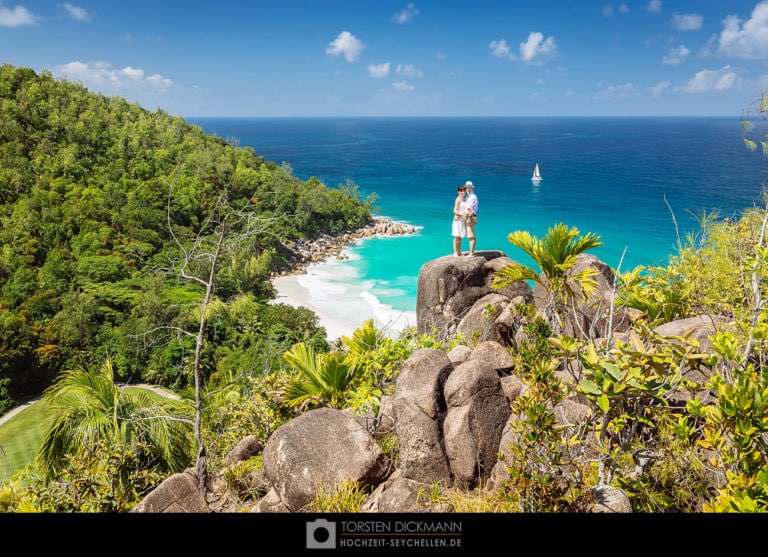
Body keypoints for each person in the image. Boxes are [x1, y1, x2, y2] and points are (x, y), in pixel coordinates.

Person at [464, 180, 479, 256]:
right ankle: (471, 252)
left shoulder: (473, 197)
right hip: (468, 216)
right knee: (470, 235)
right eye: (467, 188)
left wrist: (466, 214)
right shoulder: (467, 197)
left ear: (472, 188)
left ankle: (471, 253)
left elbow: (470, 208)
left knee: (471, 235)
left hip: (470, 217)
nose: (468, 189)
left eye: (469, 188)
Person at [451, 184, 467, 256]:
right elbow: (455, 211)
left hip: (462, 220)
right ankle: (455, 252)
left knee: (460, 237)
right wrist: (462, 214)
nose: (462, 192)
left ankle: (459, 251)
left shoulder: (464, 199)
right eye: (461, 190)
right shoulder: (458, 199)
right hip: (458, 220)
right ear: (458, 191)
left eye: (463, 190)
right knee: (456, 236)